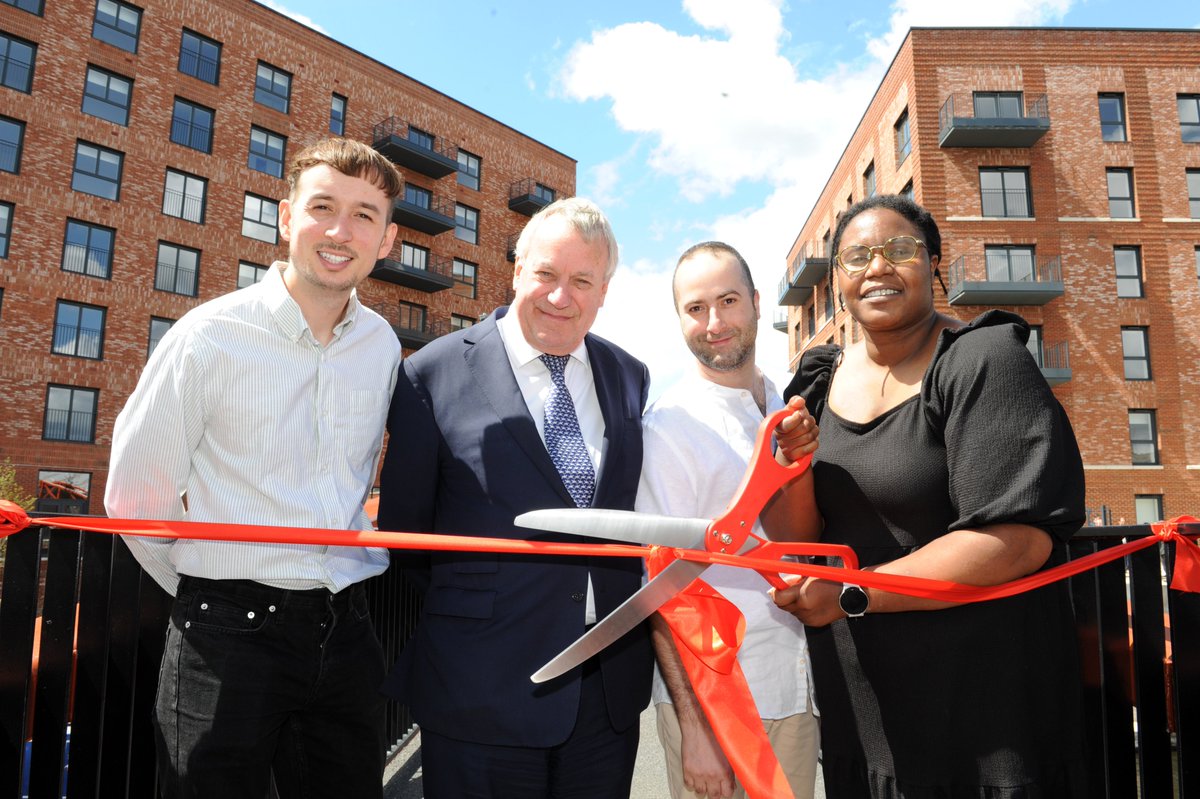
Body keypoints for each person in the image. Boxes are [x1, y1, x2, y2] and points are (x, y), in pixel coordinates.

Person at [104, 138, 403, 799]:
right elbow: (134, 498)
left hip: (348, 631)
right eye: (322, 206)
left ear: (387, 239)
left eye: (363, 214)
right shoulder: (209, 335)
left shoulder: (382, 344)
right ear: (286, 216)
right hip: (226, 636)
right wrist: (212, 582)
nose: (339, 230)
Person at [769, 194, 1089, 797]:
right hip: (868, 700)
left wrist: (853, 592)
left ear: (934, 263)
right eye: (856, 256)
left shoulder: (981, 360)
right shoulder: (818, 378)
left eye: (901, 250)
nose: (878, 267)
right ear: (837, 278)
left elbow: (1013, 541)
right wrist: (792, 465)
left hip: (982, 705)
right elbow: (798, 541)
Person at [377, 197, 653, 798]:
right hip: (481, 688)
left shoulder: (629, 374)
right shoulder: (433, 373)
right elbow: (407, 532)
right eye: (547, 275)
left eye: (582, 280)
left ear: (604, 290)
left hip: (606, 694)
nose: (561, 296)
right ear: (517, 271)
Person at [637, 242, 821, 799]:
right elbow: (661, 584)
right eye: (695, 308)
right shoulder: (668, 427)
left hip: (795, 691)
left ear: (758, 304)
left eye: (728, 300)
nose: (714, 322)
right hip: (719, 705)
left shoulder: (788, 404)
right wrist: (696, 730)